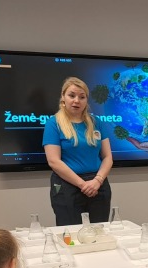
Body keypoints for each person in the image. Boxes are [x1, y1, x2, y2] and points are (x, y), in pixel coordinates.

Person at [43, 77, 113, 226]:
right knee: (71, 234)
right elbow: (53, 161)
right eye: (72, 95)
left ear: (87, 100)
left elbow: (107, 157)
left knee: (99, 232)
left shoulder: (96, 122)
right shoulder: (53, 123)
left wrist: (97, 181)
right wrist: (83, 185)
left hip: (98, 184)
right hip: (67, 186)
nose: (77, 101)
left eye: (82, 97)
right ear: (63, 97)